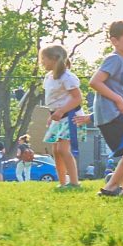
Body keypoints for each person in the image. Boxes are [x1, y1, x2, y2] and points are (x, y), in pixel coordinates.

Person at [85, 21, 123, 197]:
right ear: (115, 41)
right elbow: (95, 82)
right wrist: (118, 100)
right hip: (110, 115)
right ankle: (110, 188)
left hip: (120, 115)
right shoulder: (114, 59)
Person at [40, 44, 82, 189]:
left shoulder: (67, 77)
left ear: (54, 58)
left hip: (70, 116)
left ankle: (75, 182)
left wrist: (60, 111)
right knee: (56, 151)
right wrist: (52, 115)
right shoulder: (49, 77)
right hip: (58, 117)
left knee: (64, 150)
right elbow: (54, 99)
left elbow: (77, 98)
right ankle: (63, 182)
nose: (42, 62)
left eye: (44, 59)